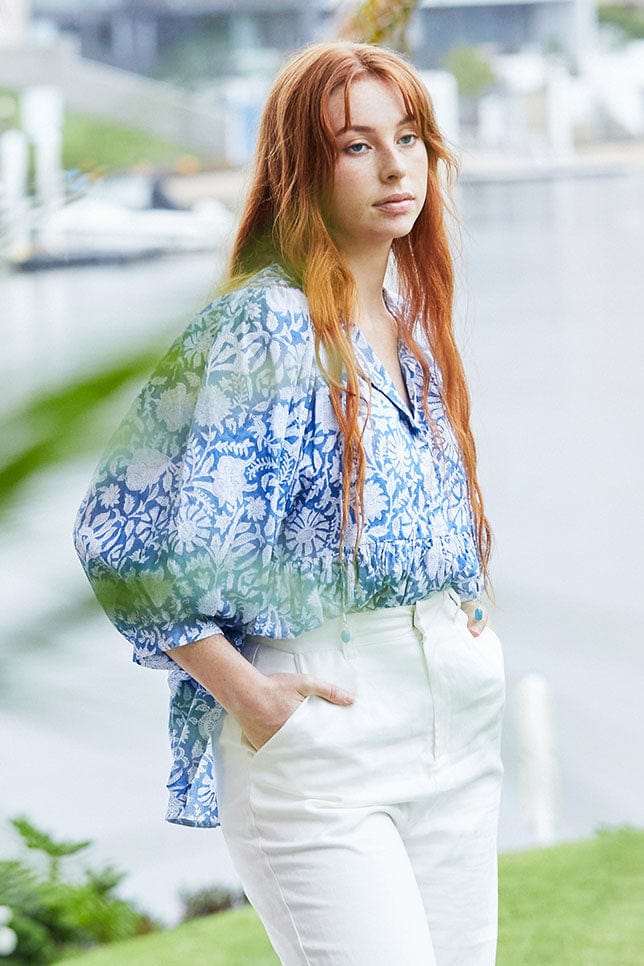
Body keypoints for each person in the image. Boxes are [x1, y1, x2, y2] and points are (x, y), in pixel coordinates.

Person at [73, 40, 505, 966]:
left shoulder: (406, 325)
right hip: (325, 731)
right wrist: (254, 696)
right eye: (357, 146)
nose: (396, 166)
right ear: (302, 169)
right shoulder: (261, 326)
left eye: (411, 137)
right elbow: (119, 535)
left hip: (456, 730)